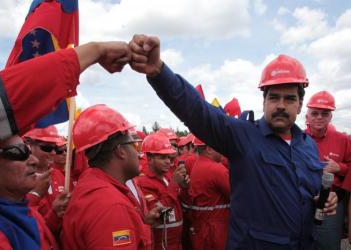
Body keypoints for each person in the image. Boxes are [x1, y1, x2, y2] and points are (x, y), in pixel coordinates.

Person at [129, 34, 338, 249]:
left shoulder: (308, 146)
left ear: (300, 104)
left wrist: (323, 199)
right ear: (264, 101)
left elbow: (309, 192)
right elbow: (198, 111)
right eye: (274, 97)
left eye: (290, 98)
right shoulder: (243, 136)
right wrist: (159, 73)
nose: (281, 105)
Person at [0, 40, 132, 249]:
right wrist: (94, 51)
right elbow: (6, 96)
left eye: (27, 149)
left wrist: (53, 216)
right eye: (18, 152)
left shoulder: (17, 209)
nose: (31, 159)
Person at [61, 104, 158, 250]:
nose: (139, 154)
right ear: (121, 151)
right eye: (134, 146)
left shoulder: (93, 185)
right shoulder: (111, 207)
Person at [305, 91, 351, 250]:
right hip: (302, 201)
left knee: (328, 244)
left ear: (331, 117)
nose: (319, 117)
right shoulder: (298, 138)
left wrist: (340, 168)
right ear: (308, 115)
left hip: (331, 204)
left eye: (325, 113)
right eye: (315, 113)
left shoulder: (342, 139)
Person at [136, 133, 189, 250]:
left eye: (169, 157)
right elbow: (158, 212)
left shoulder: (168, 177)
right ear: (149, 159)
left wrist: (184, 187)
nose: (168, 161)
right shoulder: (143, 182)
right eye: (162, 157)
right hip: (161, 244)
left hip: (176, 242)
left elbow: (178, 203)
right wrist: (175, 184)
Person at [23, 126, 70, 236]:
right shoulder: (20, 180)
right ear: (28, 146)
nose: (53, 152)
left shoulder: (58, 175)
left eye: (56, 148)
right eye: (47, 148)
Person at [185, 137, 231, 250]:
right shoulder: (216, 169)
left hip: (203, 229)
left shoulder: (198, 165)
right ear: (209, 148)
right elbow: (237, 195)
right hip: (214, 231)